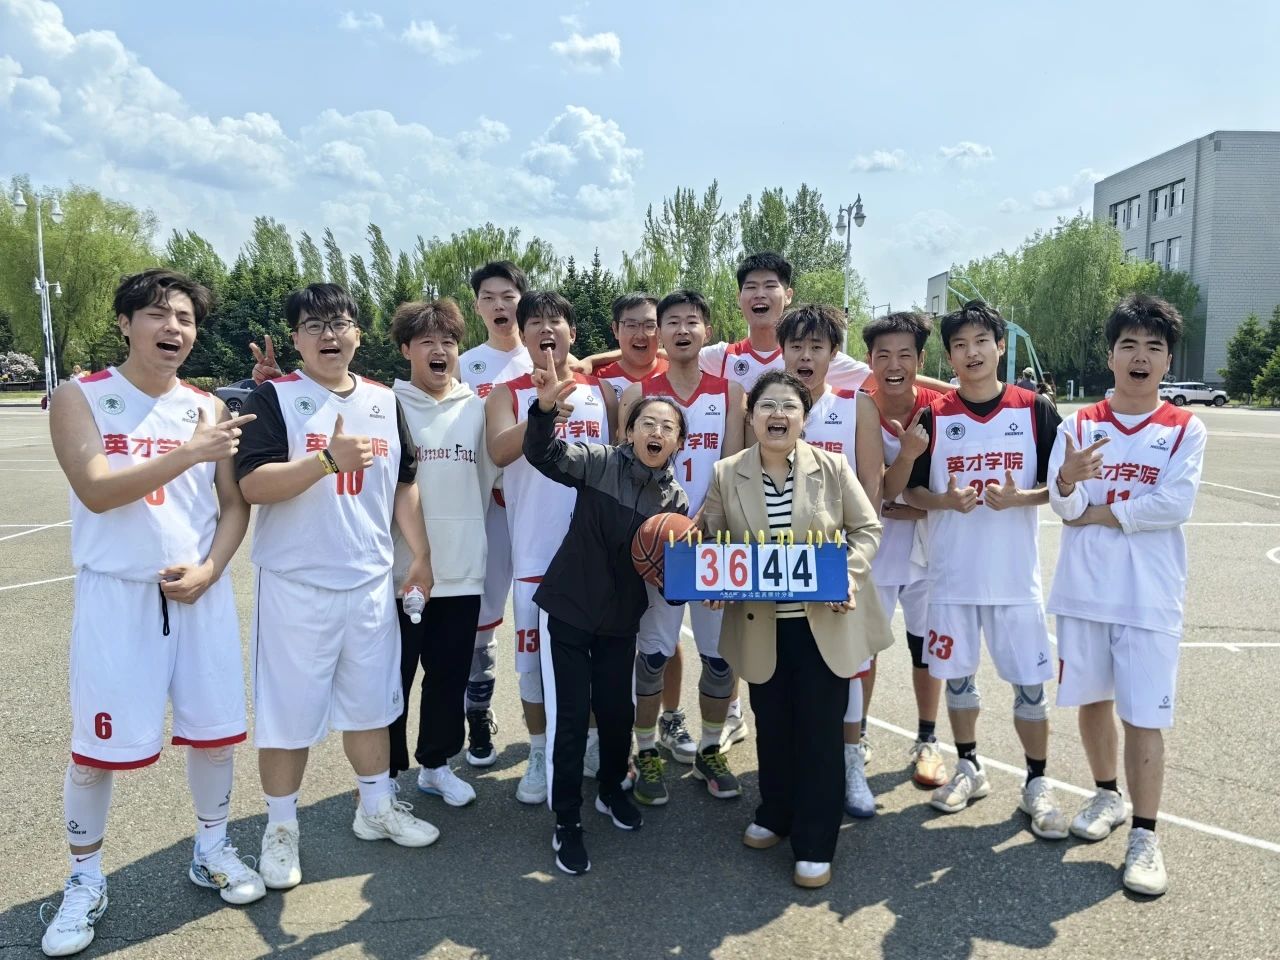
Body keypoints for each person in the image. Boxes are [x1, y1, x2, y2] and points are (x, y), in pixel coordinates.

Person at [42, 269, 264, 957]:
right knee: (96, 752)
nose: (174, 328)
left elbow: (233, 506)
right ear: (125, 323)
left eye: (186, 318)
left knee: (215, 735)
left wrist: (212, 569)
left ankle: (212, 848)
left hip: (198, 595)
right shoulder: (81, 396)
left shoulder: (206, 406)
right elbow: (97, 490)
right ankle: (84, 879)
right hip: (119, 595)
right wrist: (188, 451)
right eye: (158, 314)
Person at [236, 283, 437, 892]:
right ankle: (280, 829)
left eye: (340, 323)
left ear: (357, 334)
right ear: (296, 338)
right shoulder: (274, 397)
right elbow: (252, 485)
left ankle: (375, 808)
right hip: (297, 585)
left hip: (369, 580)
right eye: (314, 325)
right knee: (288, 716)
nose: (329, 334)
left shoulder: (383, 400)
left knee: (371, 706)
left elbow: (404, 484)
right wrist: (326, 460)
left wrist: (421, 554)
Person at [701, 370, 890, 889]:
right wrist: (713, 580)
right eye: (767, 405)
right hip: (761, 626)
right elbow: (713, 539)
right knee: (774, 726)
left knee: (820, 734)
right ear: (751, 415)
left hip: (823, 625)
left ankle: (814, 840)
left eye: (789, 406)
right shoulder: (726, 473)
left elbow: (867, 529)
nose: (778, 415)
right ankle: (775, 812)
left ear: (804, 418)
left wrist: (847, 575)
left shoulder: (832, 467)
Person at [1048, 294, 1206, 897]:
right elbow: (1064, 508)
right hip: (1084, 591)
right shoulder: (1078, 425)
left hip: (1149, 597)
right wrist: (1068, 481)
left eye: (1153, 348)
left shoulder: (1185, 427)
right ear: (1111, 356)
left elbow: (1174, 505)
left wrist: (1099, 511)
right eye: (1129, 345)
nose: (1140, 357)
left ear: (1167, 361)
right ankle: (1106, 795)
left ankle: (1145, 834)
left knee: (1144, 715)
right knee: (1091, 702)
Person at [903, 301, 1068, 840]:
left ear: (1000, 346)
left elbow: (1064, 487)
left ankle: (1037, 781)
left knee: (1029, 687)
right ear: (949, 356)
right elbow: (912, 491)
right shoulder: (934, 416)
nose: (971, 352)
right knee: (959, 679)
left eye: (981, 341)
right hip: (953, 577)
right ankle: (969, 766)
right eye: (959, 345)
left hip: (1015, 579)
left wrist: (1024, 498)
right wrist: (945, 502)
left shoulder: (1035, 409)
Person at [523, 350, 689, 875]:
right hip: (570, 609)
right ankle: (566, 819)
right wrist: (543, 413)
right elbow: (542, 454)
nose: (656, 432)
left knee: (617, 713)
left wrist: (696, 583)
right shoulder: (598, 462)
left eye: (667, 427)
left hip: (620, 620)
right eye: (647, 423)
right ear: (629, 431)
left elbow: (673, 585)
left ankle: (613, 789)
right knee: (573, 719)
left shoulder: (676, 505)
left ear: (678, 444)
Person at [485, 292, 616, 806]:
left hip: (594, 553)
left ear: (571, 333)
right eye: (534, 321)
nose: (546, 328)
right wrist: (541, 412)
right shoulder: (506, 393)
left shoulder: (602, 393)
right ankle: (539, 752)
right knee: (532, 666)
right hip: (535, 553)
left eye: (555, 320)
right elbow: (499, 451)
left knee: (592, 661)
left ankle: (588, 745)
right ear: (522, 334)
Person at [617, 290, 746, 804]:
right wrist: (660, 529)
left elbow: (734, 471)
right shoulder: (637, 393)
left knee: (720, 659)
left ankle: (711, 749)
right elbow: (624, 472)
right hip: (658, 544)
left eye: (692, 321)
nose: (682, 330)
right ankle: (647, 750)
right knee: (652, 655)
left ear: (706, 332)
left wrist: (707, 524)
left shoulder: (730, 392)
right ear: (660, 333)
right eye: (671, 322)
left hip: (712, 543)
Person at [387, 299, 499, 807]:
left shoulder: (476, 408)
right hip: (401, 571)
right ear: (406, 349)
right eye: (427, 341)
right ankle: (384, 774)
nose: (440, 350)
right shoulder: (386, 405)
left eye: (449, 342)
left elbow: (492, 473)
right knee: (393, 678)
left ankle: (435, 765)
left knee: (448, 676)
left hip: (463, 567)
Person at [776, 303, 884, 819]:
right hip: (780, 564)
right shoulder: (770, 409)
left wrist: (852, 563)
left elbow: (871, 492)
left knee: (849, 665)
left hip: (836, 562)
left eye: (816, 346)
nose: (805, 356)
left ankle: (850, 761)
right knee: (789, 668)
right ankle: (796, 768)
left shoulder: (856, 407)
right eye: (796, 346)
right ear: (781, 351)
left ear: (833, 353)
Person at [861, 312, 948, 791]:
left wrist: (916, 507)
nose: (893, 365)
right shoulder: (860, 408)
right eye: (883, 356)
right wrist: (895, 502)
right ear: (869, 360)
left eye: (904, 355)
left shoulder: (942, 409)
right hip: (876, 550)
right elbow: (874, 492)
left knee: (925, 649)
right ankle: (859, 736)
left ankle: (928, 739)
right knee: (866, 650)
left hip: (929, 549)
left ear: (920, 360)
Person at [456, 261, 532, 768]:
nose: (500, 305)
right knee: (481, 619)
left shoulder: (547, 354)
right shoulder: (465, 365)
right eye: (489, 297)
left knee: (545, 613)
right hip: (487, 506)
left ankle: (553, 721)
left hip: (539, 507)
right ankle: (478, 711)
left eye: (509, 296)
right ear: (477, 306)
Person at [595, 293, 668, 401]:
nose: (640, 335)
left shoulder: (676, 375)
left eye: (649, 326)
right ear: (615, 329)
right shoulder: (595, 379)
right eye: (631, 325)